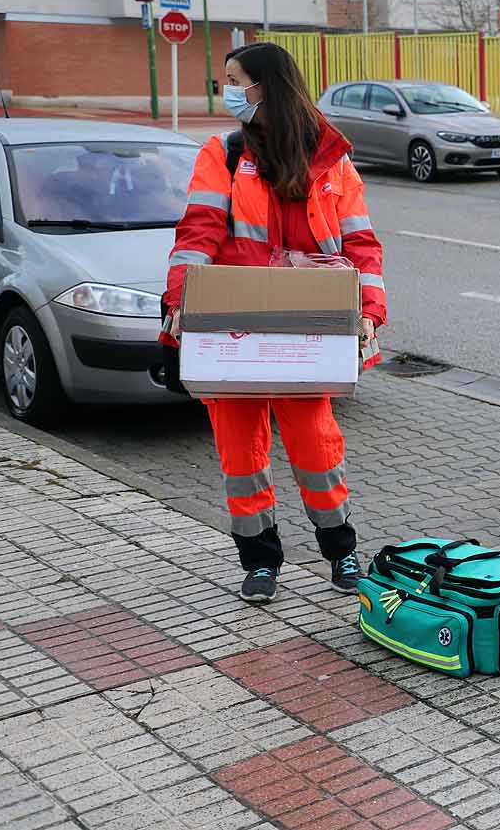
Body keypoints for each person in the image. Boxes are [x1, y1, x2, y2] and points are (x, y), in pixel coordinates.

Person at [160, 42, 387, 604]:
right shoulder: (225, 152)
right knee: (241, 454)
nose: (227, 91)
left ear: (266, 86)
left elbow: (360, 243)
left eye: (233, 79)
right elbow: (199, 233)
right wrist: (179, 301)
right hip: (236, 327)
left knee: (317, 447)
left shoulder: (332, 160)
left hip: (308, 328)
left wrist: (369, 315)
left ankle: (341, 550)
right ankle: (260, 560)